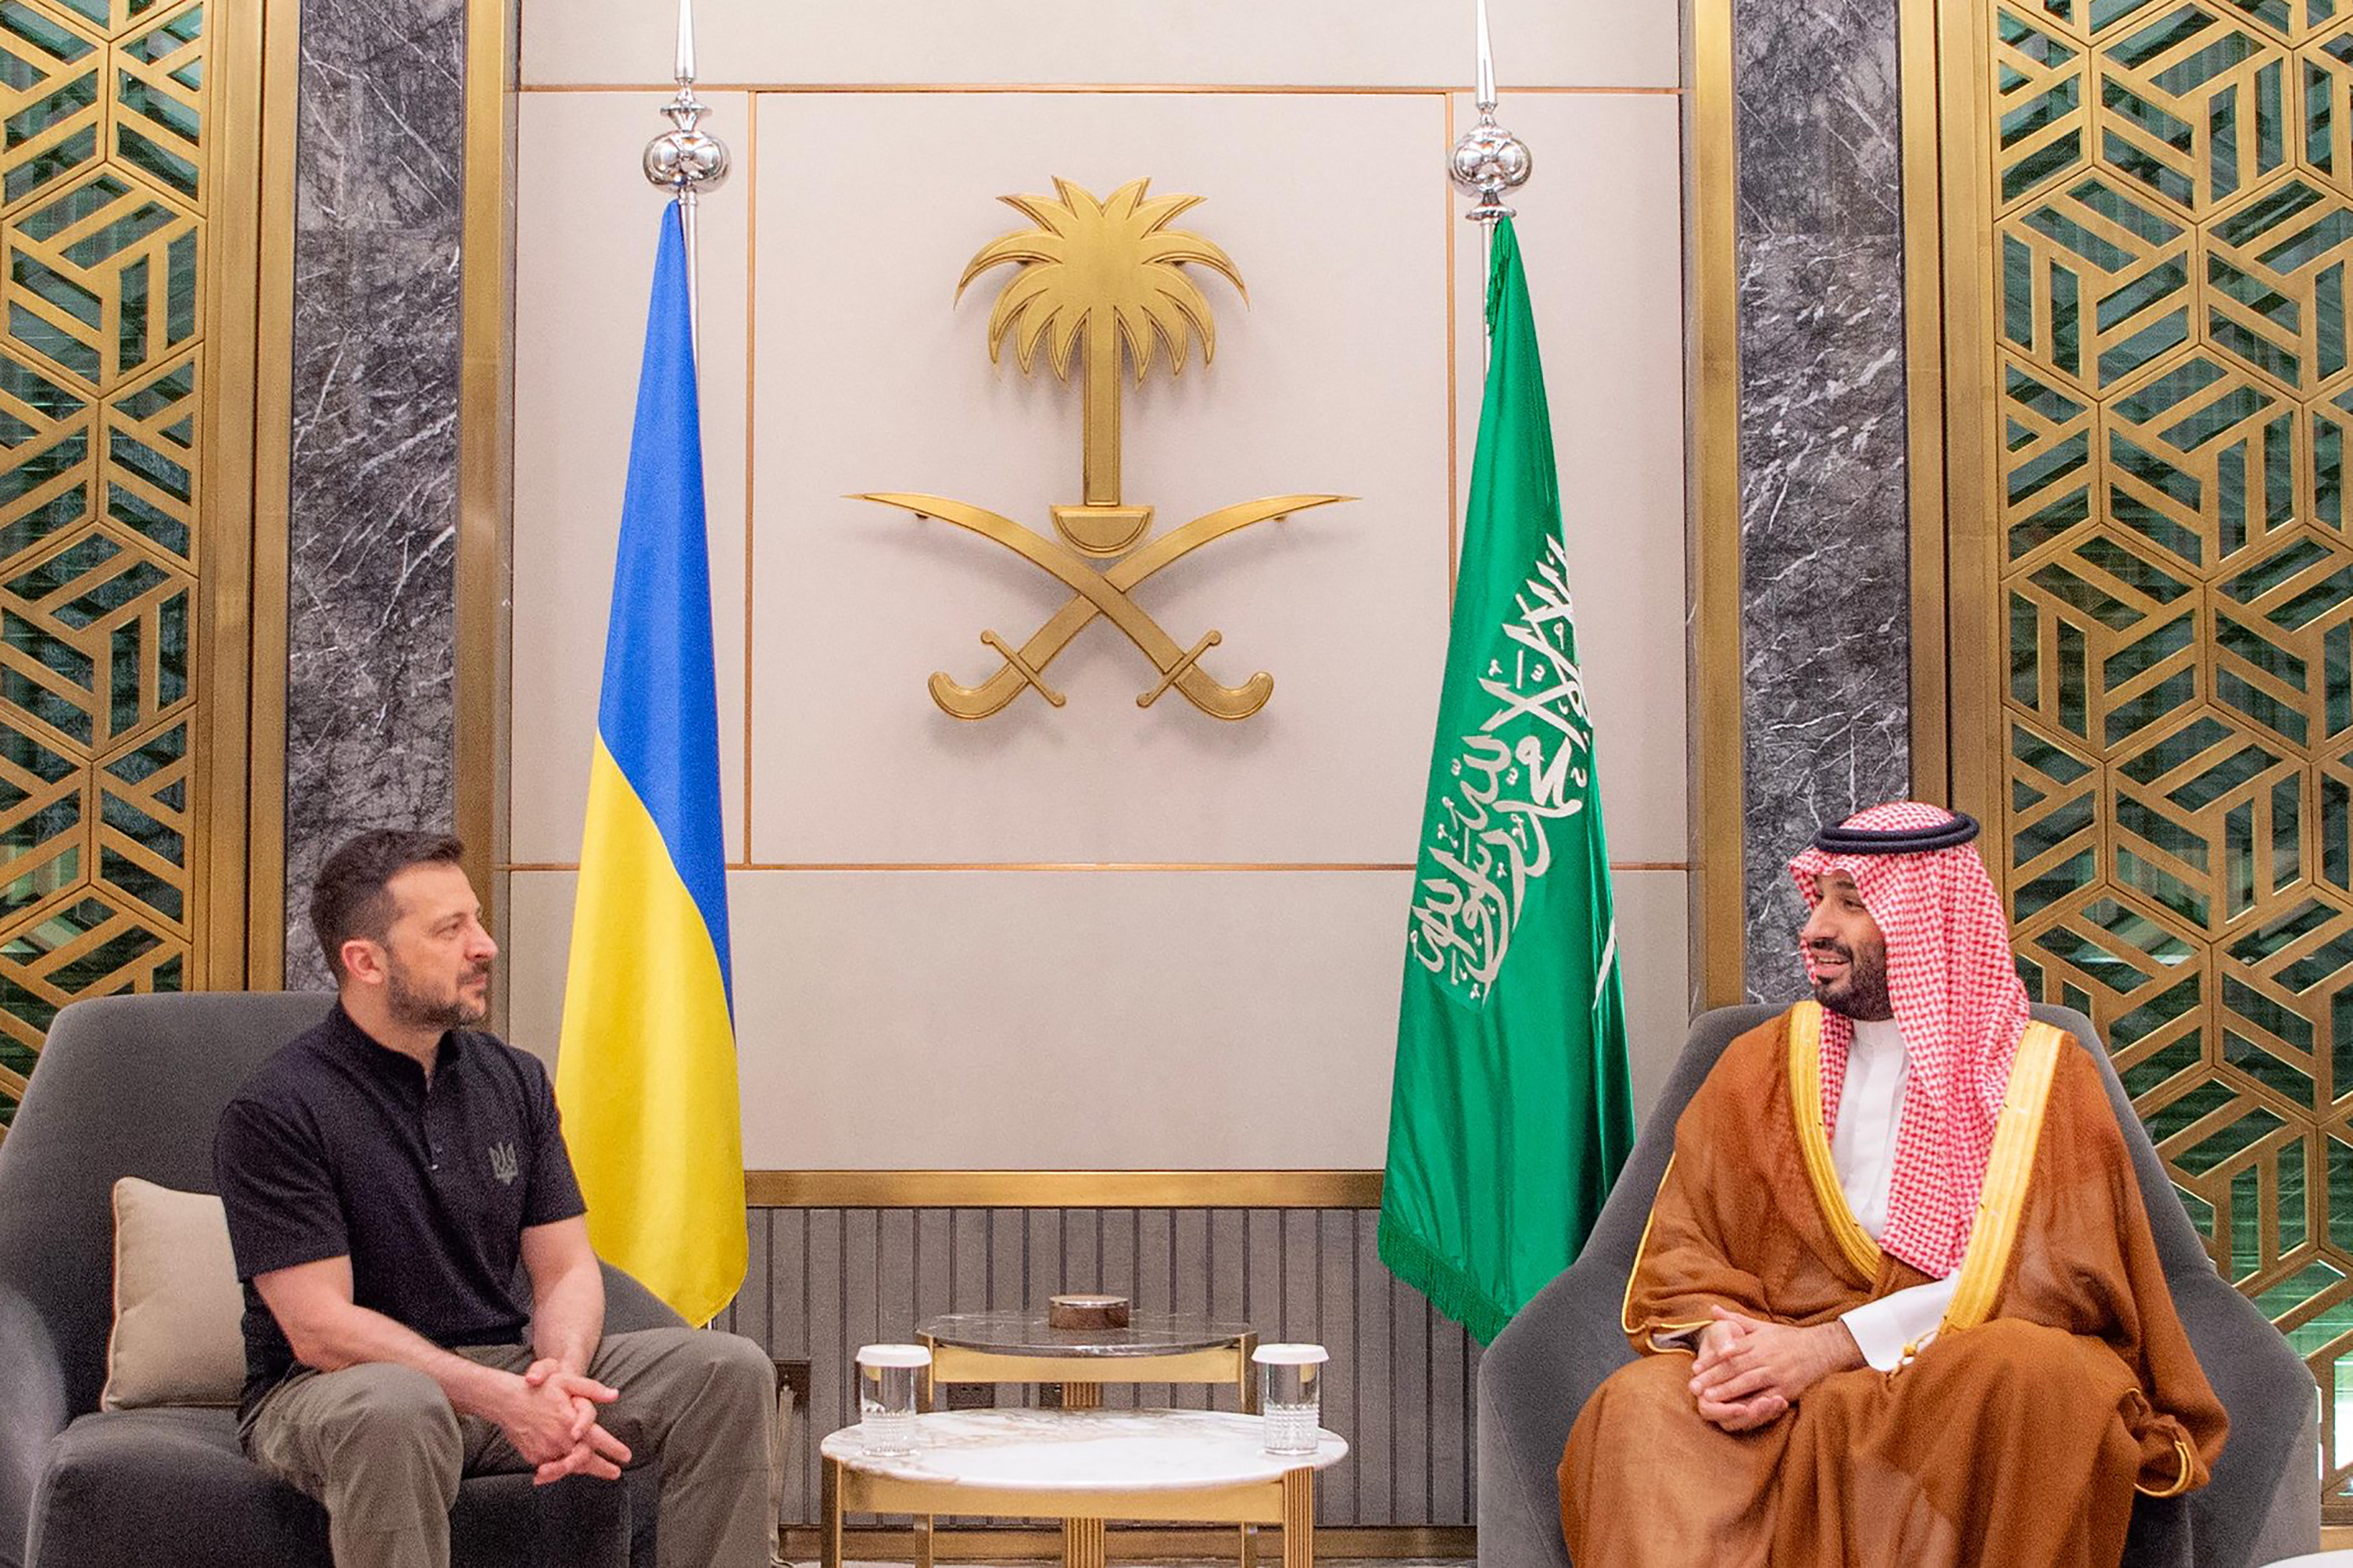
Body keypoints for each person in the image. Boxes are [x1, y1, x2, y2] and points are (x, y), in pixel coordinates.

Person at [1558, 801, 2228, 1567]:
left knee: (2038, 1374)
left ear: (1925, 921)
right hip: (1779, 1377)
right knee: (1638, 1408)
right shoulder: (1757, 1065)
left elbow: (2057, 1281)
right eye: (1818, 900)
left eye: (1851, 903)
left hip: (1953, 1372)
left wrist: (1833, 1345)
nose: (1815, 929)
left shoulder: (2042, 1077)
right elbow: (1687, 1243)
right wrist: (1729, 1348)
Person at [214, 829, 776, 1568]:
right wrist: (503, 1399)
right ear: (366, 961)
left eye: (476, 920)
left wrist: (560, 1378)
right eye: (450, 929)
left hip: (504, 1369)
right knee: (398, 1407)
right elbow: (320, 1329)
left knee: (727, 1371)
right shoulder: (278, 1108)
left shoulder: (513, 1079)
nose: (485, 945)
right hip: (332, 1391)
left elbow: (565, 1268)